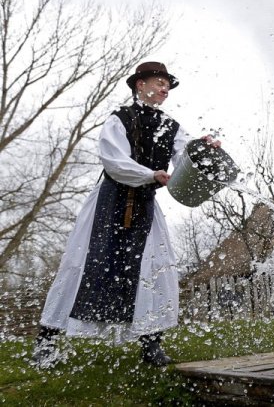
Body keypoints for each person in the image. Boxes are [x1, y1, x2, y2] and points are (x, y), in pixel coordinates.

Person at [32, 62, 219, 368]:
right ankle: (47, 340)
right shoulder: (120, 119)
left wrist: (205, 149)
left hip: (145, 204)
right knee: (80, 266)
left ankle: (150, 344)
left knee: (154, 268)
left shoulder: (171, 126)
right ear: (139, 84)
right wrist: (149, 174)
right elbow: (113, 160)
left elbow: (187, 156)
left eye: (167, 85)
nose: (164, 89)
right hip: (108, 203)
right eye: (158, 82)